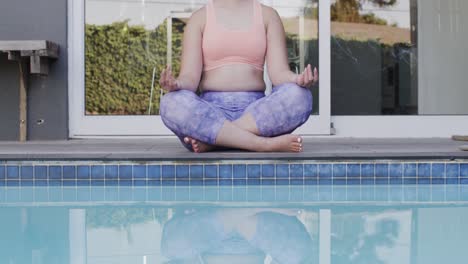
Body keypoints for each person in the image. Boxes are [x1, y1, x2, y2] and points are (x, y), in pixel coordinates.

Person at [159, 0, 318, 153]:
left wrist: (297, 80)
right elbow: (190, 78)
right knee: (170, 102)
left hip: (255, 115)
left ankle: (215, 141)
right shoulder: (199, 18)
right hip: (210, 113)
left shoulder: (268, 16)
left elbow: (279, 74)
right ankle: (262, 144)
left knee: (300, 95)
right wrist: (177, 85)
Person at [161, 208, 313, 263]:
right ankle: (251, 209)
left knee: (172, 247)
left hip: (211, 233)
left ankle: (242, 212)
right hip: (257, 230)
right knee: (296, 253)